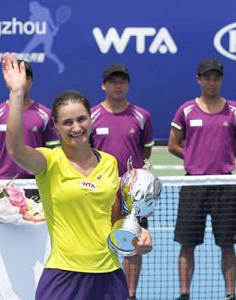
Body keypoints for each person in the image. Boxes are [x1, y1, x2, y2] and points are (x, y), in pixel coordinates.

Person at [3, 52, 153, 300]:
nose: (76, 127)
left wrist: (137, 234)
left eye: (81, 119)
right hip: (64, 276)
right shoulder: (49, 161)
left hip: (109, 275)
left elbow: (115, 218)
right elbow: (15, 150)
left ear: (90, 120)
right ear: (56, 127)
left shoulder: (109, 162)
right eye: (67, 122)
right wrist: (17, 94)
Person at [168, 58, 235, 300]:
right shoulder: (186, 110)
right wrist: (193, 156)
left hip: (225, 185)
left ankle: (230, 294)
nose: (211, 82)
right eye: (207, 77)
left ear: (222, 80)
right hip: (193, 184)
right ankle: (184, 294)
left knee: (227, 244)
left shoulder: (233, 110)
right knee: (187, 244)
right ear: (198, 79)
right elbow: (173, 145)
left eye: (216, 77)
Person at [90, 63, 154, 300]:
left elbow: (145, 151)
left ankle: (129, 295)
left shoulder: (141, 116)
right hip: (99, 190)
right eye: (113, 81)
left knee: (133, 243)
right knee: (97, 240)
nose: (118, 86)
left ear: (127, 84)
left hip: (131, 195)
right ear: (103, 85)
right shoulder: (92, 116)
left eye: (122, 81)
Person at [0, 59, 58, 198]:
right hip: (2, 184)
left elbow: (51, 152)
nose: (21, 80)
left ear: (31, 81)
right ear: (7, 80)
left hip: (35, 184)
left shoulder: (46, 115)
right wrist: (2, 168)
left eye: (25, 77)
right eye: (17, 76)